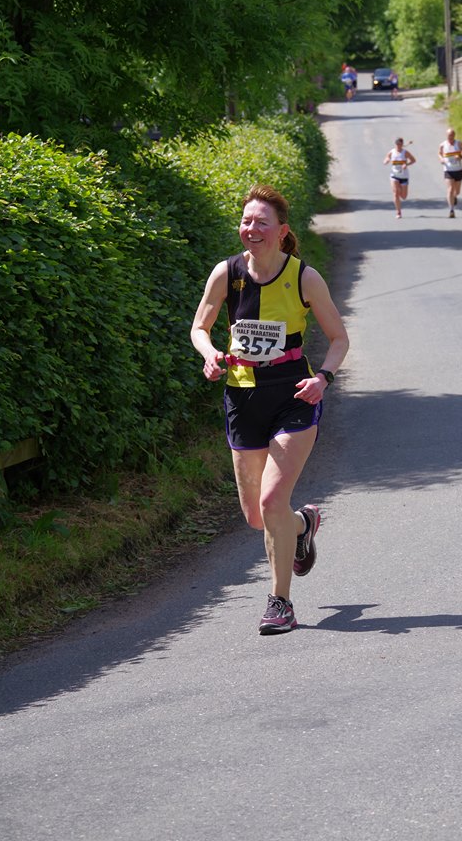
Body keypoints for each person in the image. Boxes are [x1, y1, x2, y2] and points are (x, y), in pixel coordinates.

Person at [191, 184, 349, 634]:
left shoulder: (304, 277)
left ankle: (280, 603)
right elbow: (200, 327)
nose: (251, 228)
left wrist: (323, 378)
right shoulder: (226, 273)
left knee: (271, 499)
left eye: (261, 222)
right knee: (257, 516)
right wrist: (209, 354)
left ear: (282, 232)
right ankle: (302, 526)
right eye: (246, 221)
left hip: (293, 396)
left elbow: (339, 339)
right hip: (242, 397)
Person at [438, 128, 462, 218]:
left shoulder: (459, 144)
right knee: (450, 189)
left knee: (457, 191)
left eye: (452, 135)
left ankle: (454, 197)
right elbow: (439, 153)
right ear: (446, 135)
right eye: (449, 135)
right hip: (448, 170)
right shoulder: (442, 145)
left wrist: (460, 156)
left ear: (454, 135)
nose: (450, 137)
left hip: (458, 170)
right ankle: (451, 210)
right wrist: (441, 159)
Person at [383, 137, 417, 218]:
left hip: (404, 176)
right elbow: (386, 158)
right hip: (394, 175)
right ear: (395, 144)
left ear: (402, 144)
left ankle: (400, 189)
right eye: (397, 144)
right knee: (395, 193)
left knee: (404, 196)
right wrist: (386, 161)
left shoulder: (405, 152)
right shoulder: (391, 152)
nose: (398, 146)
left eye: (400, 144)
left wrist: (407, 164)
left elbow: (413, 160)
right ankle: (398, 212)